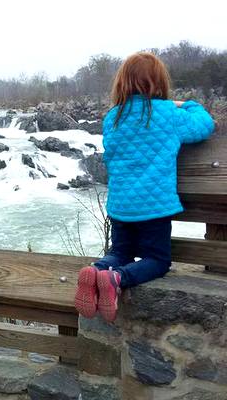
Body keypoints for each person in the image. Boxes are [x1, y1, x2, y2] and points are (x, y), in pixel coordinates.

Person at [74, 52, 214, 323]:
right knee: (158, 260)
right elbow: (204, 126)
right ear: (159, 82)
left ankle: (98, 270)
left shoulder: (112, 118)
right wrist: (188, 104)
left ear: (122, 83)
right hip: (154, 206)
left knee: (120, 252)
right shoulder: (167, 113)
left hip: (120, 206)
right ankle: (117, 278)